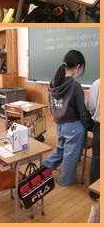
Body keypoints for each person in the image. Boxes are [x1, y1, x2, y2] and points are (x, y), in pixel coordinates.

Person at [41, 50, 93, 186]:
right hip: (73, 126)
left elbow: (51, 105)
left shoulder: (53, 82)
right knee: (71, 154)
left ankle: (43, 169)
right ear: (78, 66)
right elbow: (82, 112)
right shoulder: (75, 86)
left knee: (61, 148)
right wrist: (90, 125)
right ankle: (65, 181)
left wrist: (57, 118)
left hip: (58, 123)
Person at [85, 79, 100, 199]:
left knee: (97, 158)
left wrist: (96, 113)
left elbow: (91, 106)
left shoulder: (97, 83)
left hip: (100, 124)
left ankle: (95, 193)